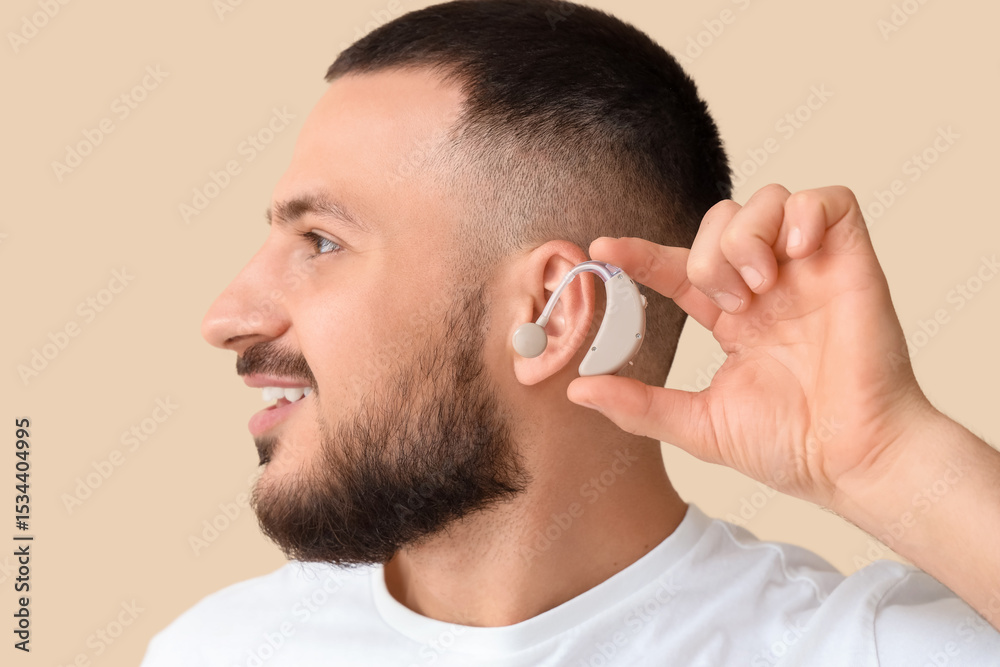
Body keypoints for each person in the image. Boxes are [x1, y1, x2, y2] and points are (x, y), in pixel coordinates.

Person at [141, 1, 1000, 664]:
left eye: (320, 241)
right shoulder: (219, 648)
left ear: (553, 313)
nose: (227, 317)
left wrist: (886, 454)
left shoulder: (849, 649)